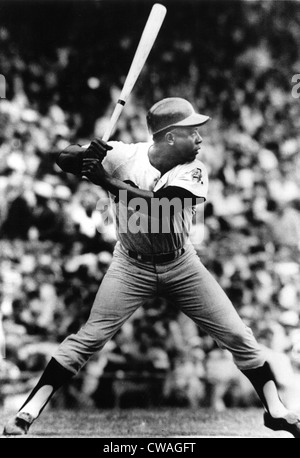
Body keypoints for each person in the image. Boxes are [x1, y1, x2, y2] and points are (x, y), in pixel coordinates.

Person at [3, 97, 300, 437]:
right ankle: (28, 411)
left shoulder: (194, 169)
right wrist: (86, 153)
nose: (200, 139)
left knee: (236, 334)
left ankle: (275, 410)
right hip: (130, 266)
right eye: (193, 132)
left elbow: (162, 203)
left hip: (181, 264)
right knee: (90, 337)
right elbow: (62, 158)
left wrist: (105, 180)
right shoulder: (124, 155)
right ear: (171, 136)